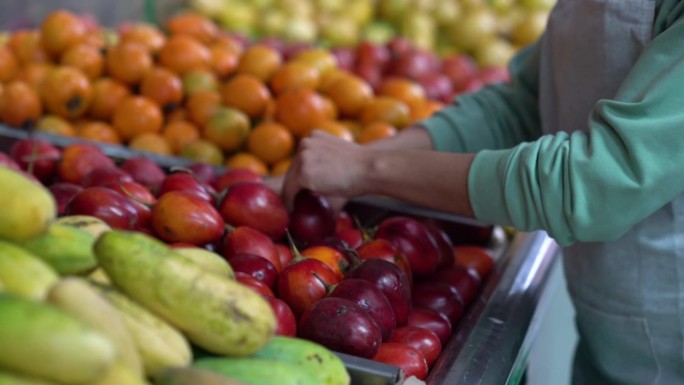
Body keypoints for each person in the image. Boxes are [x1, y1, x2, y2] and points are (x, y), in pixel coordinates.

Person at [273, 1, 684, 384]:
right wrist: (358, 161)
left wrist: (366, 169)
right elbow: (522, 105)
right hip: (614, 342)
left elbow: (595, 182)